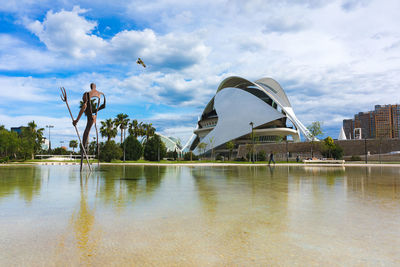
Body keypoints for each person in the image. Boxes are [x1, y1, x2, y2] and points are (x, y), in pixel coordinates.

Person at [73, 83, 106, 170]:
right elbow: (104, 105)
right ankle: (95, 161)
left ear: (91, 87)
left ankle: (82, 158)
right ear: (95, 87)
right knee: (90, 134)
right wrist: (95, 111)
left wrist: (76, 120)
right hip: (94, 117)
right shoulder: (101, 94)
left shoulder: (87, 94)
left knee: (85, 134)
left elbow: (84, 106)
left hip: (90, 118)